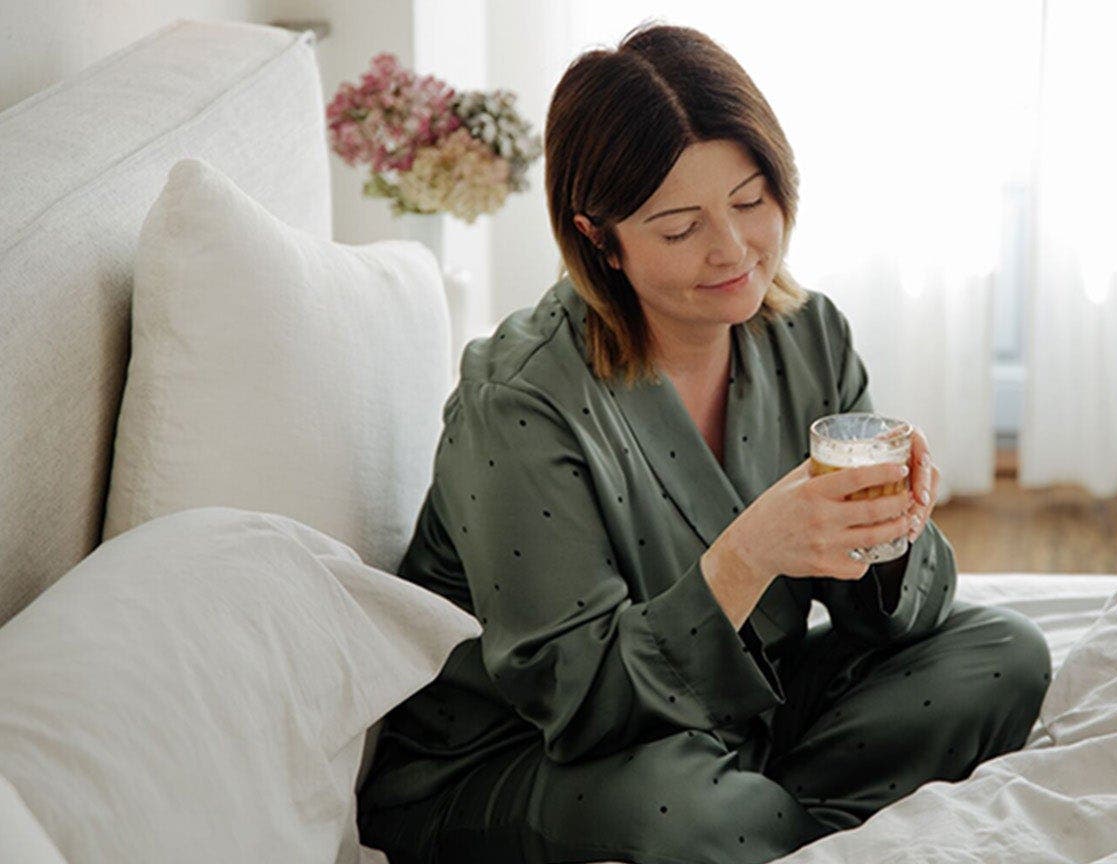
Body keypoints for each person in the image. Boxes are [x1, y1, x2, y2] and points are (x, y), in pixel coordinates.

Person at [357, 21, 1052, 864]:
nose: (732, 250)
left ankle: (767, 826)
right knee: (684, 813)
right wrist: (749, 553)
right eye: (679, 227)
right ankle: (764, 827)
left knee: (1004, 654)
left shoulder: (810, 335)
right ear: (598, 240)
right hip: (532, 755)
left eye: (752, 201)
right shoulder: (520, 401)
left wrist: (895, 534)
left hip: (739, 717)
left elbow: (897, 621)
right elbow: (576, 703)